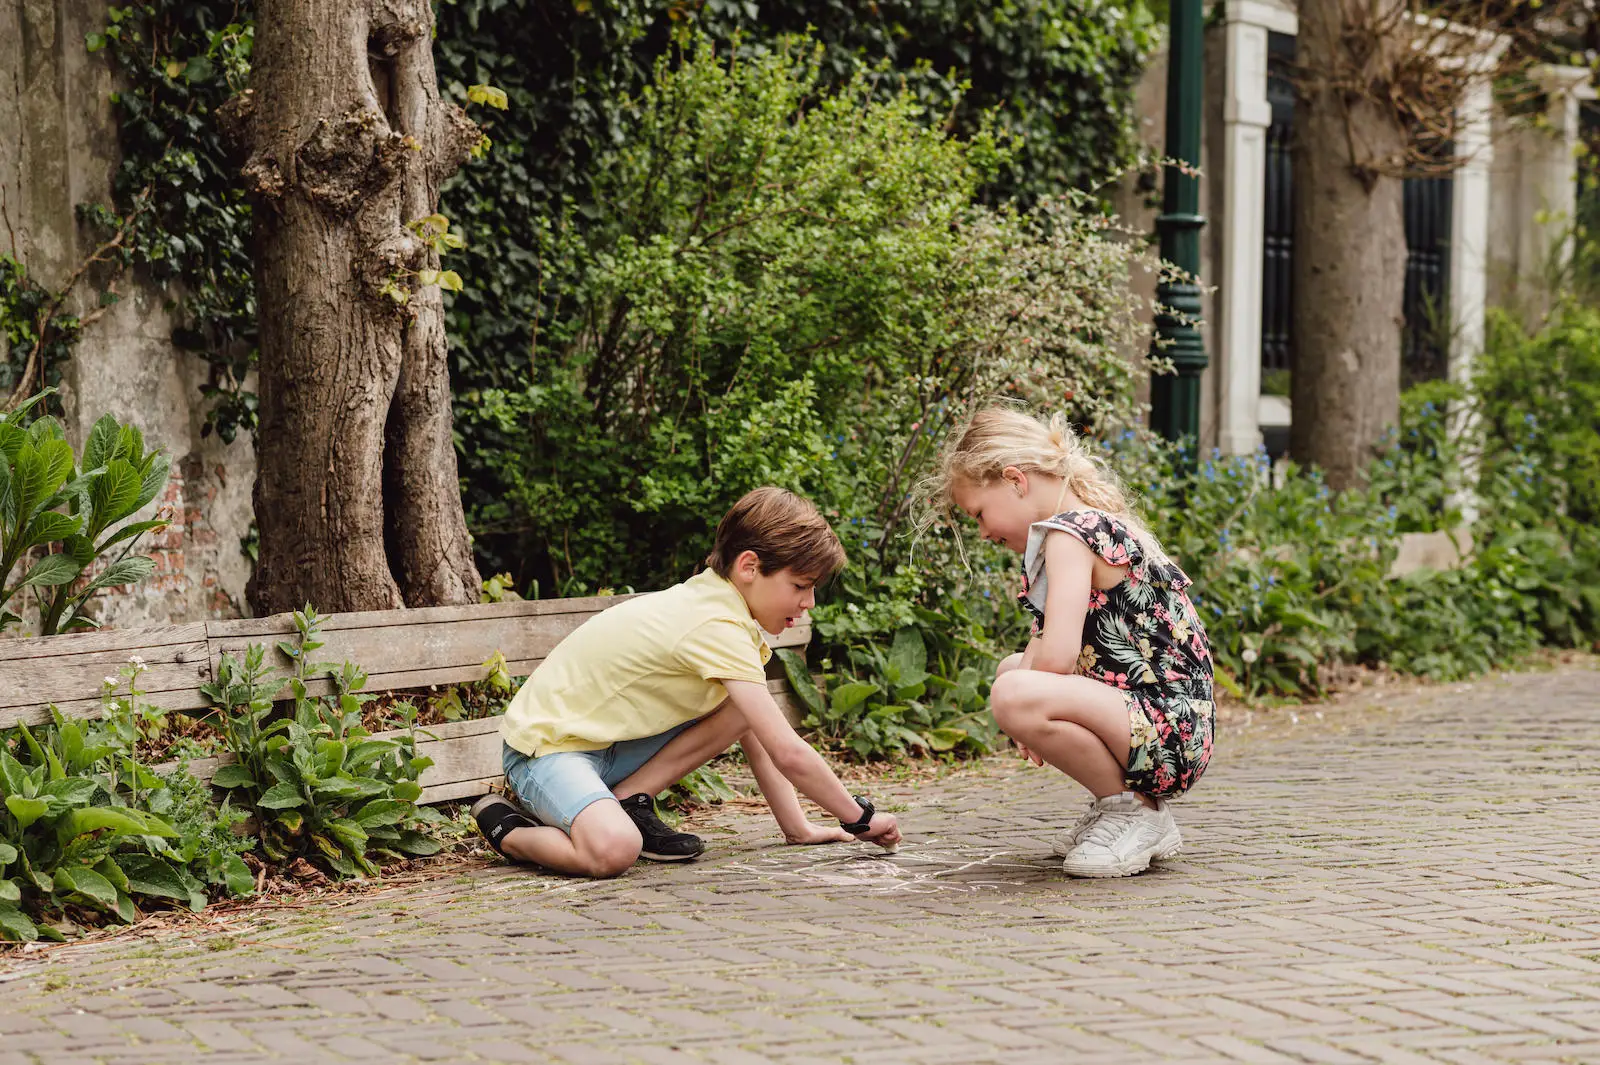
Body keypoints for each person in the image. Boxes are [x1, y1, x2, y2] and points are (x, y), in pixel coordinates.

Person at [471, 487, 902, 877]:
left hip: (611, 747)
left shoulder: (725, 609)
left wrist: (798, 828)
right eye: (800, 586)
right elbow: (787, 751)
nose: (808, 603)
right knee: (614, 850)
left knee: (744, 709)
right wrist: (858, 818)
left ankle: (628, 800)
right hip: (548, 750)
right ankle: (509, 829)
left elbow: (757, 731)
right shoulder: (714, 622)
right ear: (749, 566)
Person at [921, 406, 1215, 878]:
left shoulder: (1069, 535)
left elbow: (1057, 656)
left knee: (1014, 690)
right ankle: (1124, 805)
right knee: (1010, 674)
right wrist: (1027, 707)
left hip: (1167, 730)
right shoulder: (1085, 525)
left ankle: (1134, 812)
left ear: (1015, 480)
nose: (983, 531)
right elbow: (1044, 645)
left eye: (979, 513)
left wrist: (1023, 712)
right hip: (1171, 723)